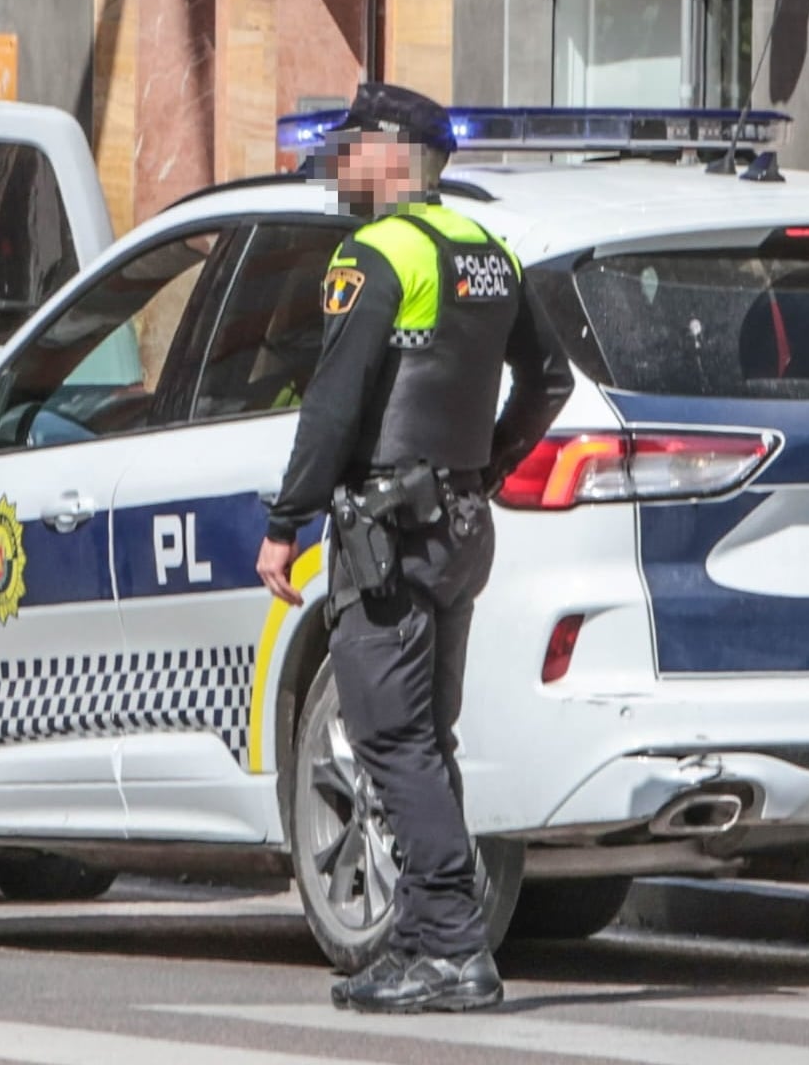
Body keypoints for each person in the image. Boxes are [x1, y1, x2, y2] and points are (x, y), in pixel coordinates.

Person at [254, 82, 573, 1015]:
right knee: (425, 741)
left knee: (391, 739)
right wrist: (482, 466)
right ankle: (422, 939)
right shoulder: (489, 249)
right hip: (459, 526)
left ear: (397, 154)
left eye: (354, 146)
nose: (342, 162)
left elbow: (335, 401)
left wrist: (286, 521)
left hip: (388, 536)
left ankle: (455, 949)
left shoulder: (376, 254)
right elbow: (548, 379)